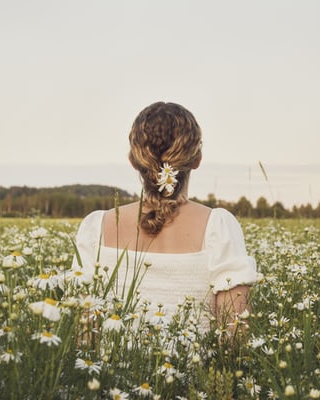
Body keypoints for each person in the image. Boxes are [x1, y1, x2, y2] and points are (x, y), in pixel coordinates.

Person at [73, 101, 257, 331]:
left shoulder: (96, 227)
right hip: (198, 368)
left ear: (133, 160)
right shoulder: (218, 226)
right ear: (197, 159)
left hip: (111, 367)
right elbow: (234, 336)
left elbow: (84, 334)